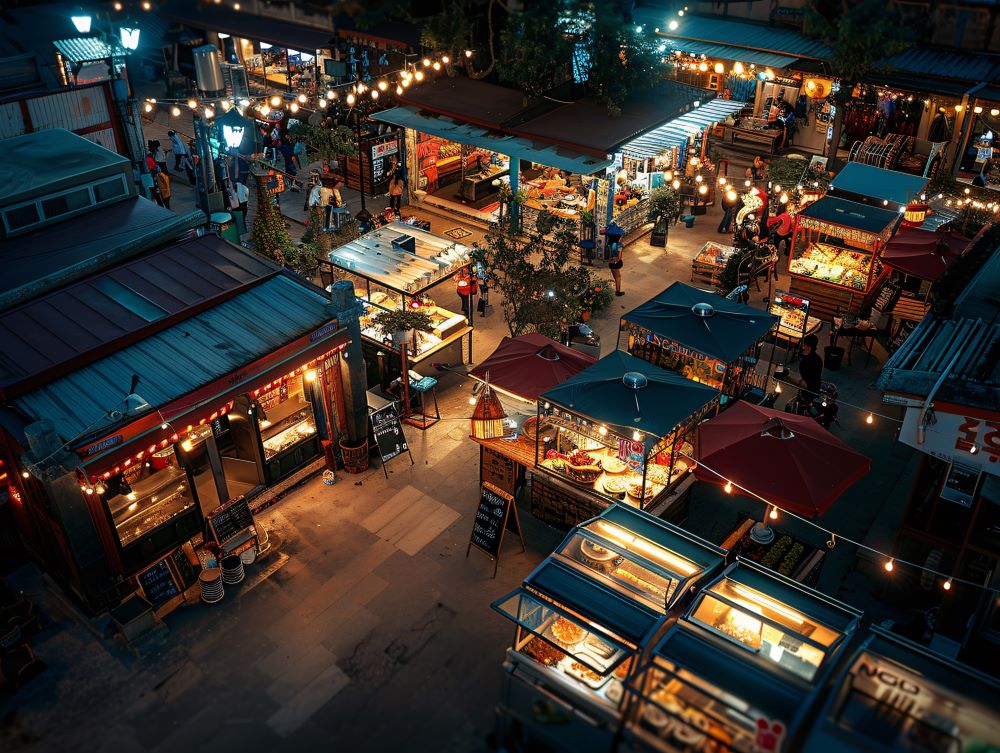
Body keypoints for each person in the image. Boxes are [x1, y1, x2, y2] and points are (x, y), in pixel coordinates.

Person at [797, 333, 823, 402]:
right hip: (807, 385)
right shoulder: (806, 356)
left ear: (808, 346)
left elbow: (813, 377)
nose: (802, 346)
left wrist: (804, 381)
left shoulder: (814, 360)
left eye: (804, 344)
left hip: (810, 389)